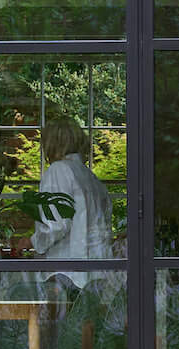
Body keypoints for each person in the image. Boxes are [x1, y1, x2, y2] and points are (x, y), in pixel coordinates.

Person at [31, 117, 117, 282]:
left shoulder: (58, 170)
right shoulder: (89, 177)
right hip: (96, 271)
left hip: (68, 272)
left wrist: (32, 242)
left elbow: (55, 224)